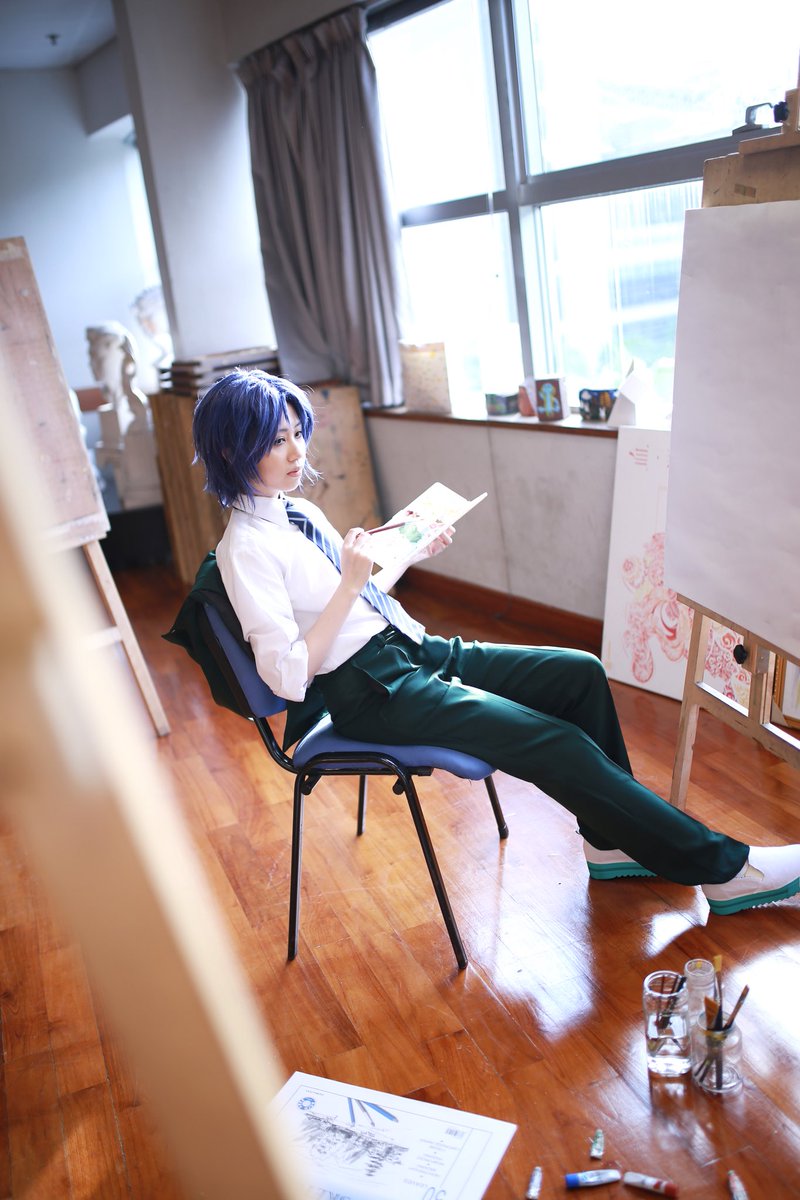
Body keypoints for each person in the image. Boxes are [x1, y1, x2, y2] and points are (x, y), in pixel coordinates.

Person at [191, 368, 800, 917]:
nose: (297, 450)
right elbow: (286, 676)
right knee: (556, 741)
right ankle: (727, 870)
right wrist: (352, 584)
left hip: (409, 649)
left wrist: (406, 556)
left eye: (298, 432)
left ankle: (610, 841)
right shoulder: (245, 550)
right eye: (276, 440)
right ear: (230, 449)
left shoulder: (294, 513)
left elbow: (353, 602)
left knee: (579, 672)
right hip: (372, 692)